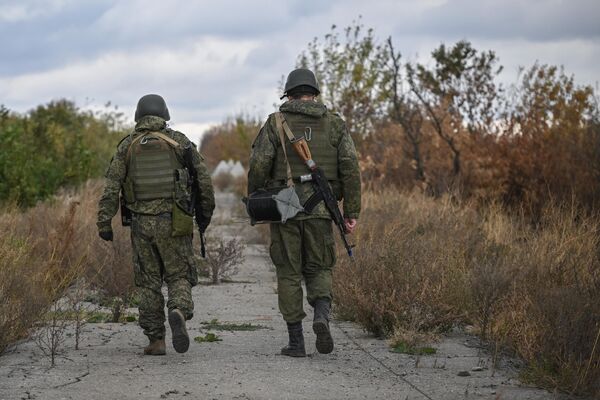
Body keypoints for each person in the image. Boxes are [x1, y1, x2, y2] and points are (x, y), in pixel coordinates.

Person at [247, 68, 361, 356]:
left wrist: (257, 196)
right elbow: (350, 167)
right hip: (322, 207)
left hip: (284, 206)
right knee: (320, 267)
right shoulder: (335, 123)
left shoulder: (275, 123)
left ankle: (296, 342)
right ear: (314, 93)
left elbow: (259, 163)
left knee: (288, 271)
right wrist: (351, 210)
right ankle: (321, 316)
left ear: (289, 93)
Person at [97, 94, 215, 355]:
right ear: (165, 115)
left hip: (141, 224)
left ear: (139, 116)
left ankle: (156, 340)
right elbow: (203, 181)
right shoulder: (180, 143)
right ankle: (178, 310)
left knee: (148, 283)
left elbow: (111, 187)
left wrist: (104, 221)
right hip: (175, 221)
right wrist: (205, 215)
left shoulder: (127, 146)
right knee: (179, 274)